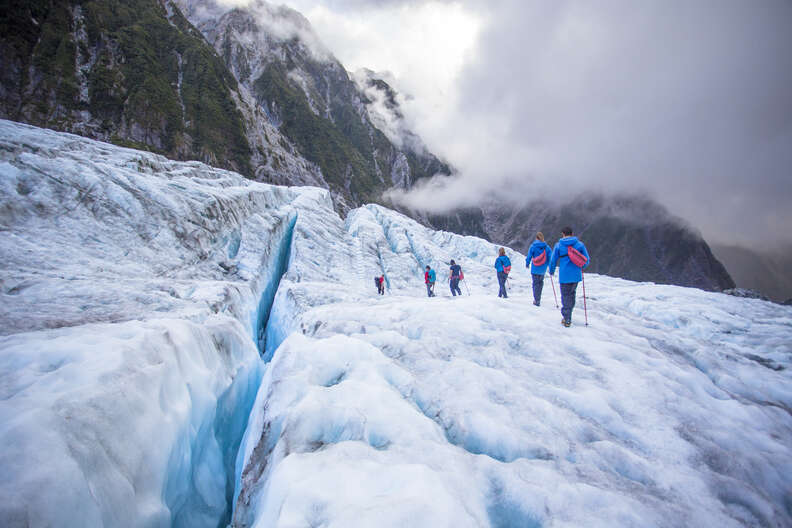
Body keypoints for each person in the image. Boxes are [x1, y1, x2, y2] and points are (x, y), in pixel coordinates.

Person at [549, 226, 590, 327]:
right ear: (572, 234)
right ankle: (568, 314)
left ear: (563, 234)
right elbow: (586, 260)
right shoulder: (580, 244)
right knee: (572, 295)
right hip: (576, 275)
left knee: (565, 296)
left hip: (564, 275)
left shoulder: (559, 245)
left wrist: (551, 271)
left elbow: (553, 260)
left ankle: (567, 318)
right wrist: (581, 266)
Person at [526, 232, 551, 306]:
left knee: (535, 284)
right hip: (543, 269)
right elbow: (550, 257)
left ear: (536, 238)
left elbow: (529, 256)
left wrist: (527, 263)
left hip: (535, 268)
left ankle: (536, 300)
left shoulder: (533, 246)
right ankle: (538, 298)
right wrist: (549, 266)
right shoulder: (547, 247)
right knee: (540, 283)